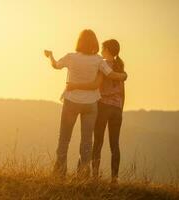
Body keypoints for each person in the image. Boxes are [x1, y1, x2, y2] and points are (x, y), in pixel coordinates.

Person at [44, 29, 127, 179]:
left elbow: (55, 65)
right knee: (87, 141)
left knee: (64, 138)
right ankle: (83, 174)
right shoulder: (98, 61)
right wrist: (124, 75)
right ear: (94, 43)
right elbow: (111, 75)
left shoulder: (71, 57)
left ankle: (60, 171)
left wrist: (50, 56)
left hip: (71, 101)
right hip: (91, 105)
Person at [66, 39, 126, 184]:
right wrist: (120, 109)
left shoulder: (102, 65)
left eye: (102, 48)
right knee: (115, 144)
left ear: (107, 50)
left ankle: (94, 176)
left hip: (103, 106)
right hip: (117, 109)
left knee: (98, 142)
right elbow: (123, 92)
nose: (100, 51)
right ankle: (114, 178)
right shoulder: (120, 66)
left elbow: (96, 84)